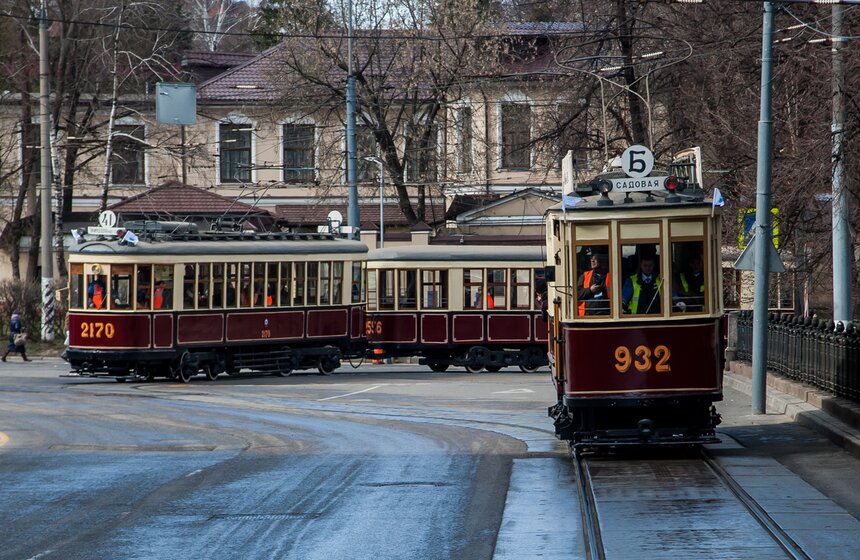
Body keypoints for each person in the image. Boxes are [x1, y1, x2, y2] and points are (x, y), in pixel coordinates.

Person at [577, 250, 611, 316]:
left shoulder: (610, 276)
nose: (592, 260)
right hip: (587, 315)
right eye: (591, 258)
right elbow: (577, 295)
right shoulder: (585, 276)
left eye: (596, 258)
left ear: (602, 260)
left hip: (607, 314)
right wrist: (590, 290)